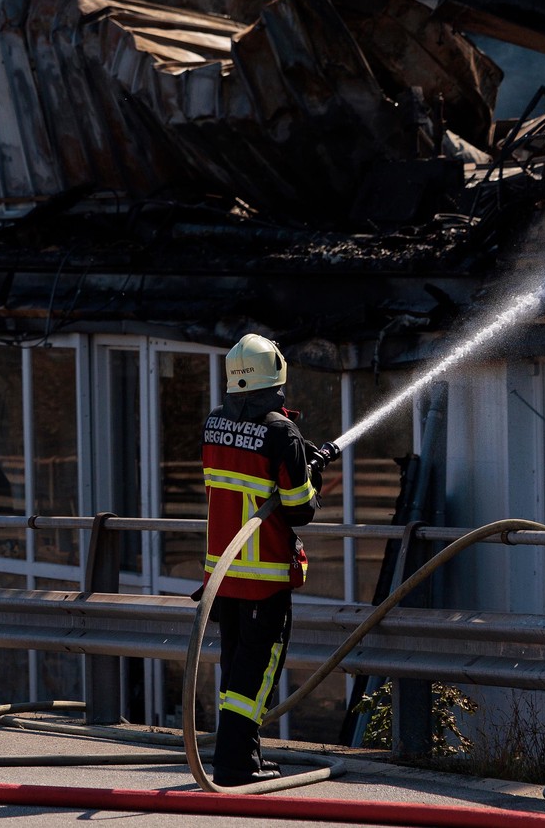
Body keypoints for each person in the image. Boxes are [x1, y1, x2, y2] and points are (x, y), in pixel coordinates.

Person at [200, 333, 334, 786]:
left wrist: (299, 461)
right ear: (276, 376)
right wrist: (309, 472)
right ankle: (236, 765)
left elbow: (248, 481)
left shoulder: (215, 423)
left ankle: (238, 756)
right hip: (264, 576)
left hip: (224, 574)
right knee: (255, 675)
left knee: (236, 666)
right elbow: (300, 509)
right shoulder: (282, 432)